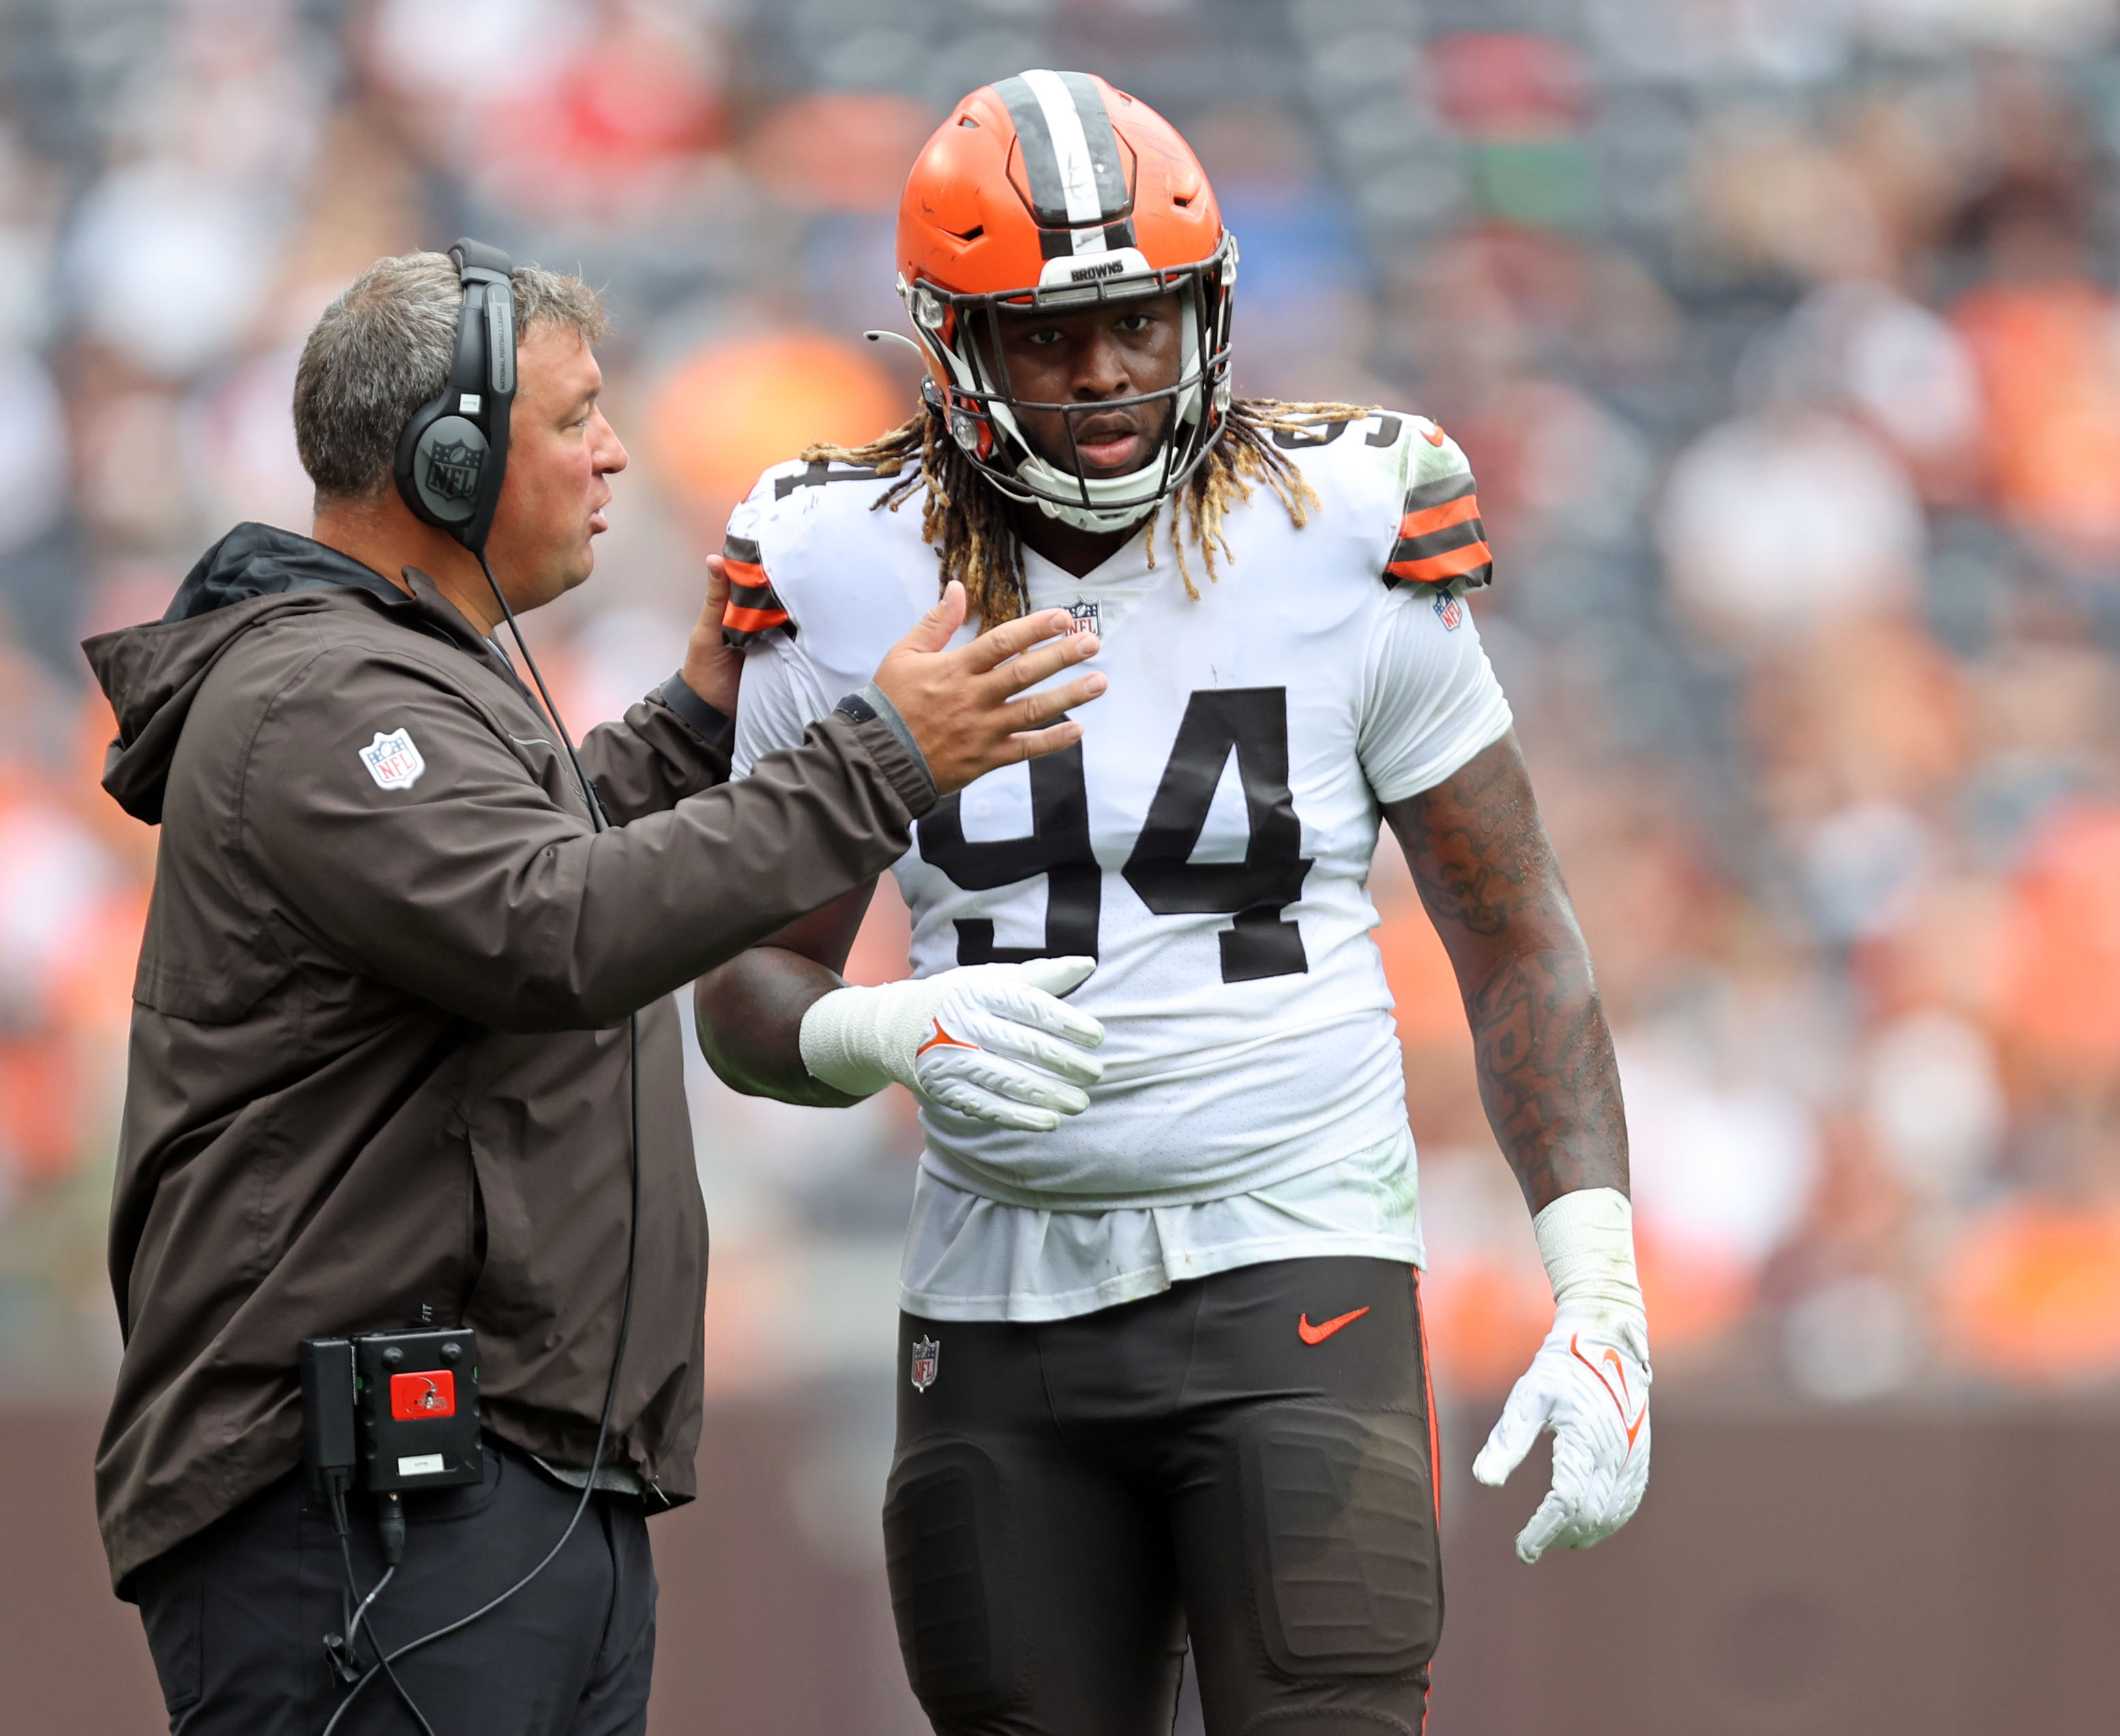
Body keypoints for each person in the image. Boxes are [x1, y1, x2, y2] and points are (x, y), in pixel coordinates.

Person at [693, 73, 1651, 1736]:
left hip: (1298, 1264)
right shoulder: (837, 553)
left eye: (1140, 318)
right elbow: (744, 1002)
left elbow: (1516, 938)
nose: (1107, 371)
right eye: (1049, 335)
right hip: (994, 1308)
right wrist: (883, 1028)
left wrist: (1602, 1288)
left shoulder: (1344, 524)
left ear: (1206, 307)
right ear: (949, 345)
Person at [83, 246, 1106, 1735]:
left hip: (486, 1482)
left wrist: (698, 719)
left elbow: (543, 856)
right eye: (575, 417)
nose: (615, 450)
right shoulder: (315, 695)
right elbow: (555, 927)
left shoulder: (405, 679)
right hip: (360, 1503)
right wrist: (886, 753)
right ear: (448, 458)